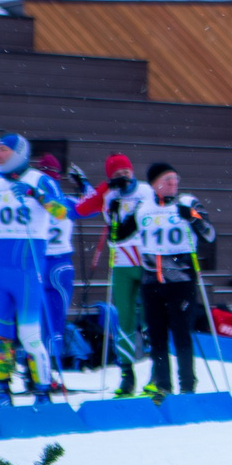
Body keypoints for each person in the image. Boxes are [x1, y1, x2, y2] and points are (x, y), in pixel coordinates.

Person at [0, 136, 68, 400]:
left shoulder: (39, 180)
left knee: (30, 334)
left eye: (3, 149)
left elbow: (63, 212)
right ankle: (3, 393)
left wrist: (38, 196)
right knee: (0, 335)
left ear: (19, 152)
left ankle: (43, 391)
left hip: (27, 269)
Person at [124, 163, 213, 397]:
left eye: (175, 180)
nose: (173, 184)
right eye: (167, 180)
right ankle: (163, 385)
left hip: (181, 281)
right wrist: (117, 213)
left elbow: (210, 234)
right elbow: (118, 236)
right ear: (154, 184)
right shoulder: (143, 207)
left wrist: (193, 218)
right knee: (157, 336)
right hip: (151, 283)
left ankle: (187, 385)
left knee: (182, 333)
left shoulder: (188, 203)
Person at [79, 154, 149, 394]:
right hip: (120, 264)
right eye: (117, 174)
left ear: (132, 171)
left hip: (146, 261)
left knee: (151, 318)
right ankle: (127, 376)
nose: (123, 177)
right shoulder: (107, 195)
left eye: (125, 172)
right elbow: (82, 208)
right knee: (125, 321)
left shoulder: (146, 191)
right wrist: (106, 187)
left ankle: (158, 374)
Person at [35, 154, 77, 377]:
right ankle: (53, 371)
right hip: (61, 264)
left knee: (35, 321)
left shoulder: (36, 201)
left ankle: (38, 374)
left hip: (39, 263)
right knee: (56, 321)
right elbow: (89, 207)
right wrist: (85, 184)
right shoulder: (67, 202)